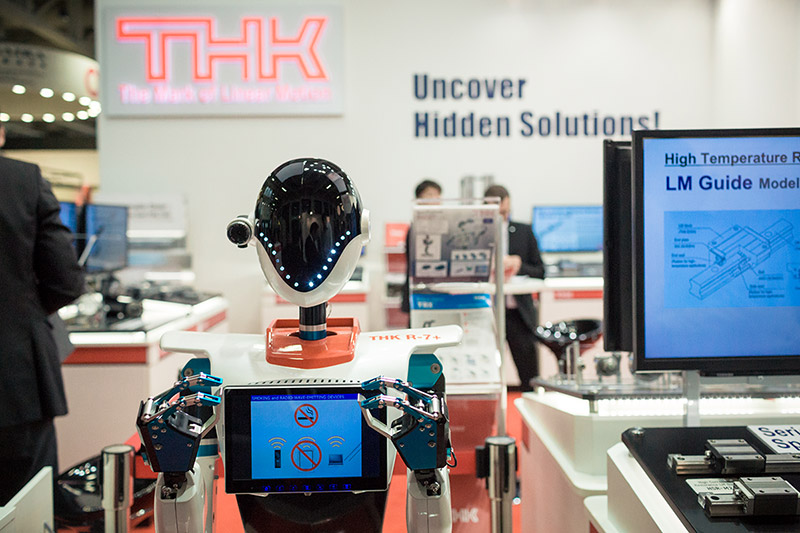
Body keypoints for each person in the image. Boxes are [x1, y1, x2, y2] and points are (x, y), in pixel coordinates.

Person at [0, 122, 86, 504]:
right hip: (15, 379)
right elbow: (65, 281)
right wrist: (23, 313)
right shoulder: (23, 180)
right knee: (27, 507)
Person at [484, 184, 545, 391]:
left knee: (528, 372)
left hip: (517, 312)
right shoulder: (476, 235)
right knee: (485, 370)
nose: (503, 217)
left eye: (506, 212)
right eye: (499, 213)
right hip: (486, 313)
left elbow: (540, 270)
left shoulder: (523, 231)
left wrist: (519, 265)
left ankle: (531, 401)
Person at [400, 179, 442, 322]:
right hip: (418, 292)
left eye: (438, 195)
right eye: (430, 195)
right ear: (419, 199)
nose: (435, 199)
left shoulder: (442, 226)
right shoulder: (415, 228)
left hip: (438, 293)